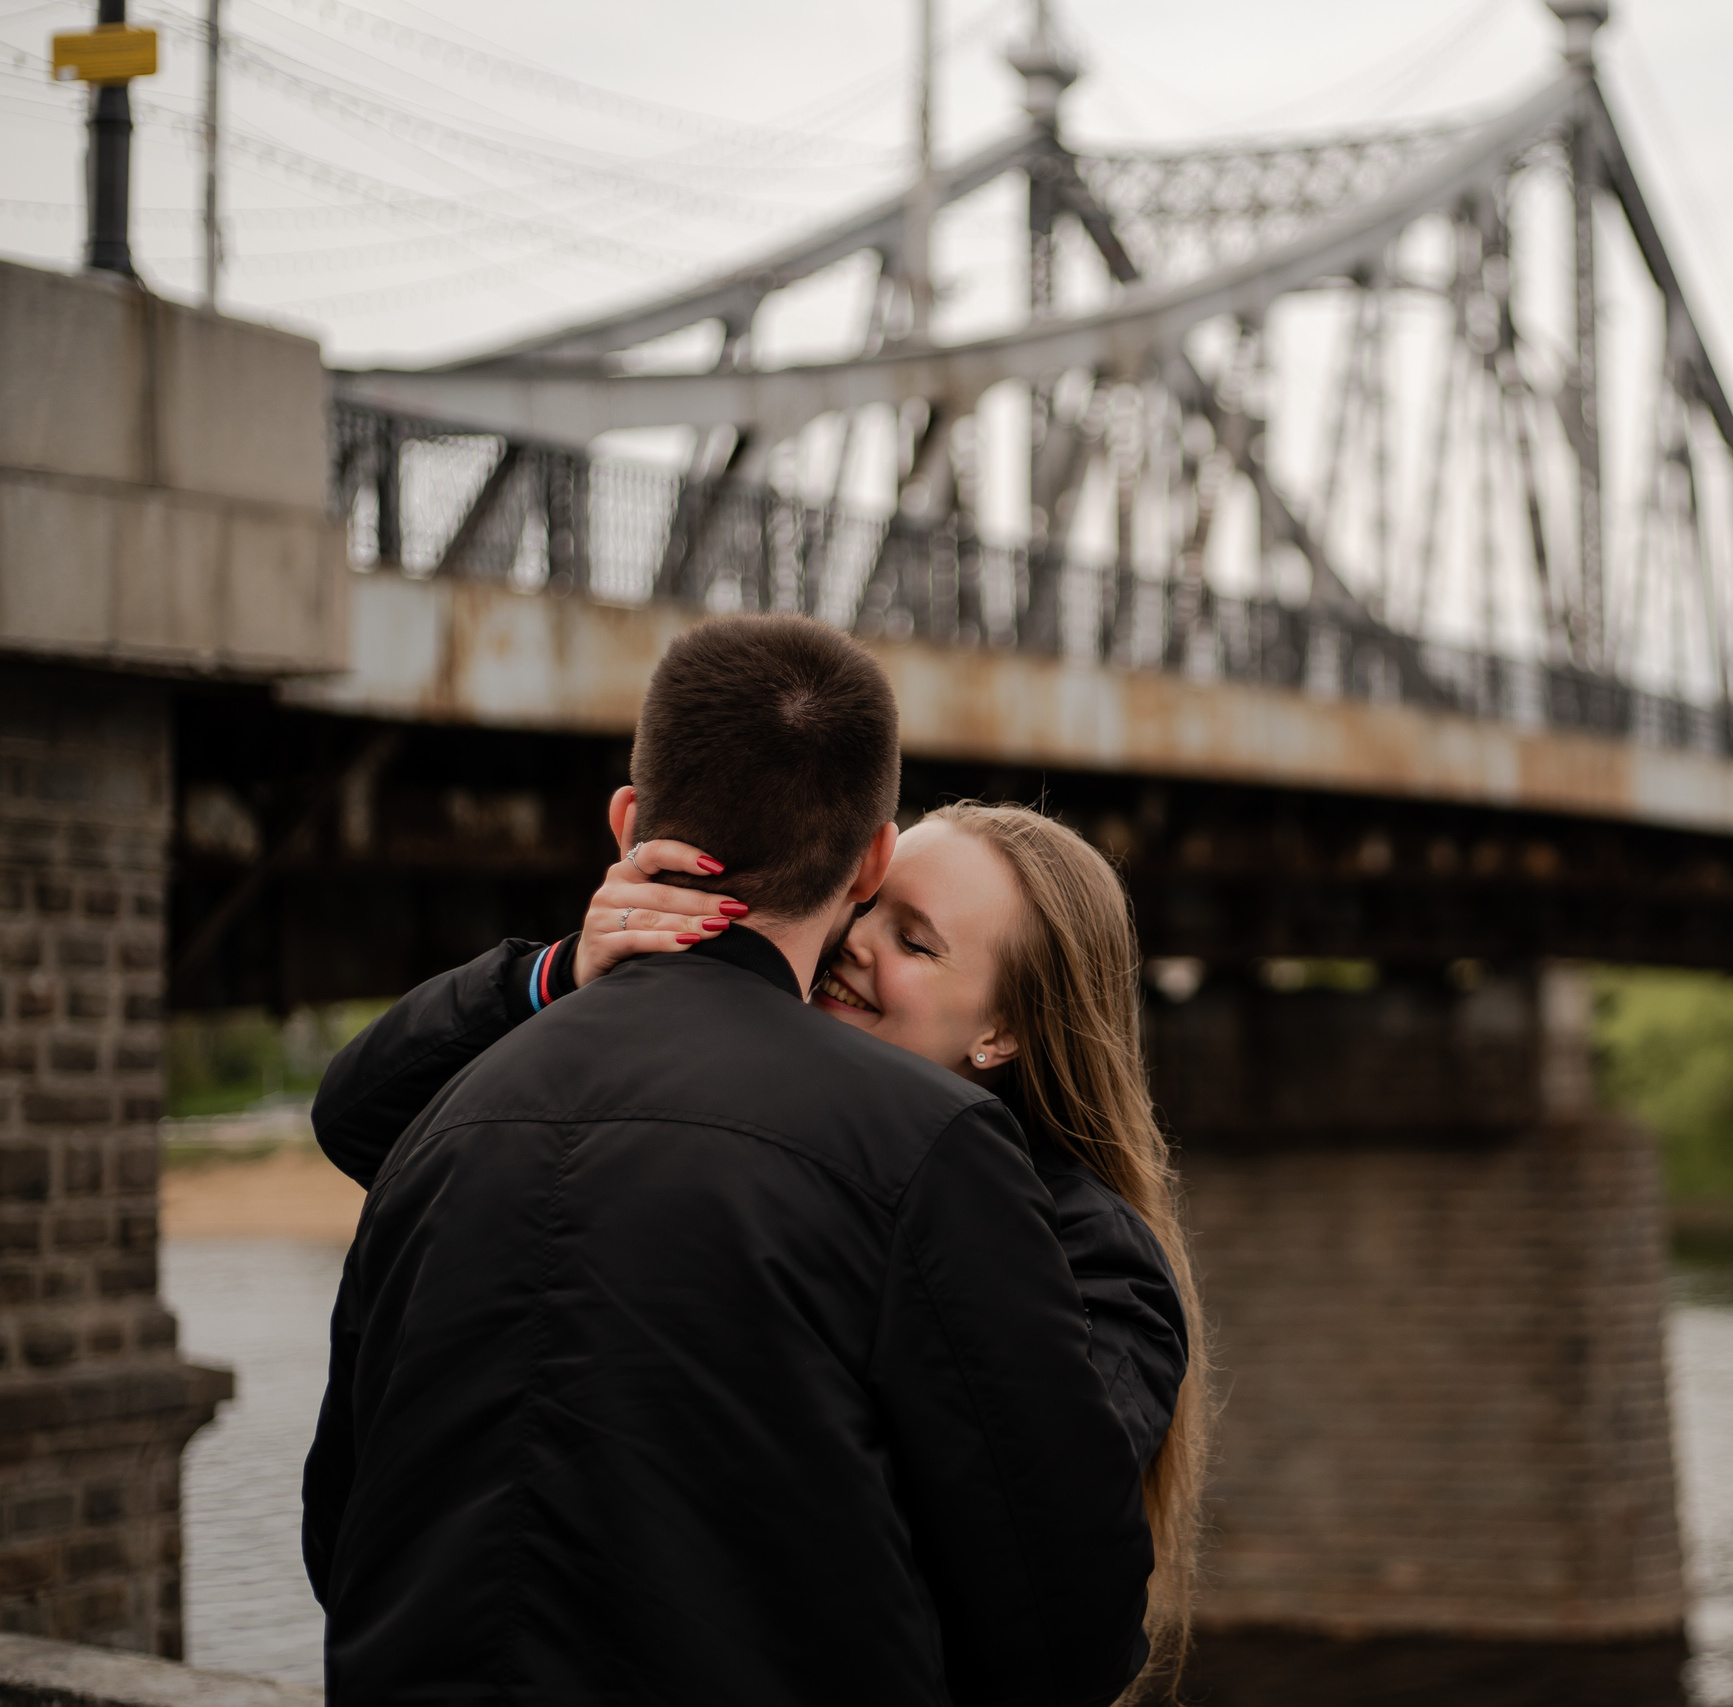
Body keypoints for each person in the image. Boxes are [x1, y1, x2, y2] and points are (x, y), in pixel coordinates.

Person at [302, 616, 1158, 1706]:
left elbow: (346, 1529)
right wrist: (558, 969)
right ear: (868, 858)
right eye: (877, 916)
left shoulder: (460, 1115)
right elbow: (1056, 1622)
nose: (858, 948)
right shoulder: (917, 1154)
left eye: (917, 942)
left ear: (628, 819)